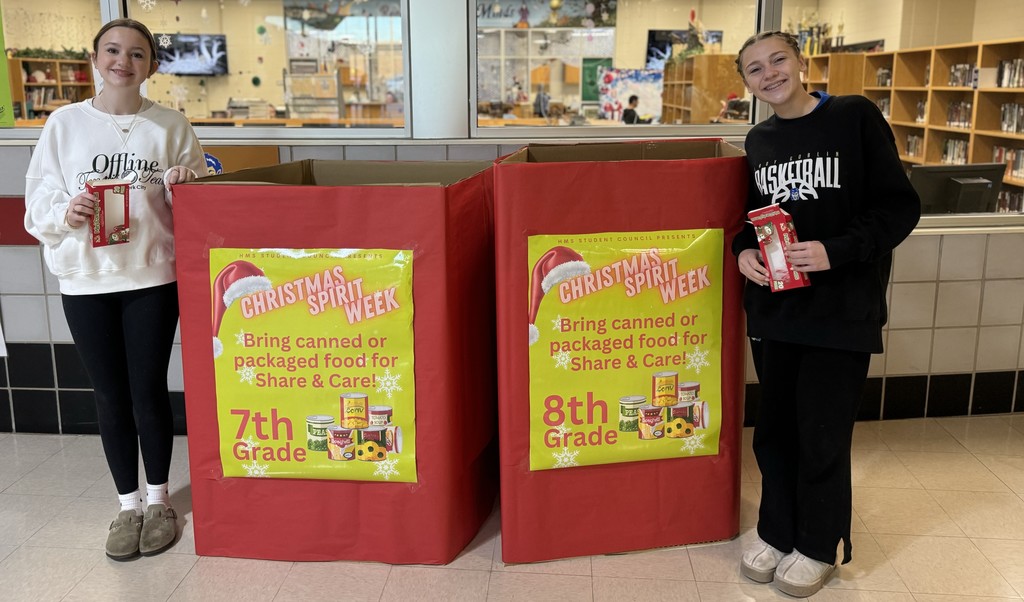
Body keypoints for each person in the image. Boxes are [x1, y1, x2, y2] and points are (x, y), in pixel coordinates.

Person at [730, 31, 919, 597]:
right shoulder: (758, 139)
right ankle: (776, 531)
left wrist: (835, 250)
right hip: (777, 311)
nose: (769, 74)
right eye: (754, 69)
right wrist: (742, 251)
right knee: (775, 433)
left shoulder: (854, 117)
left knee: (822, 432)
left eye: (777, 60)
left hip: (840, 310)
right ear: (747, 85)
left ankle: (818, 544)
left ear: (801, 61)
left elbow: (898, 207)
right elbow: (755, 217)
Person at [24, 18, 206, 561]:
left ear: (151, 64)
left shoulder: (170, 125)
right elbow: (39, 204)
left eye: (136, 53)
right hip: (86, 277)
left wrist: (185, 185)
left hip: (151, 273)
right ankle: (127, 505)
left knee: (147, 389)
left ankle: (159, 502)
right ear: (95, 57)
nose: (122, 61)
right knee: (108, 393)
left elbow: (198, 198)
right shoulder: (64, 124)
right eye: (112, 50)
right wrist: (67, 210)